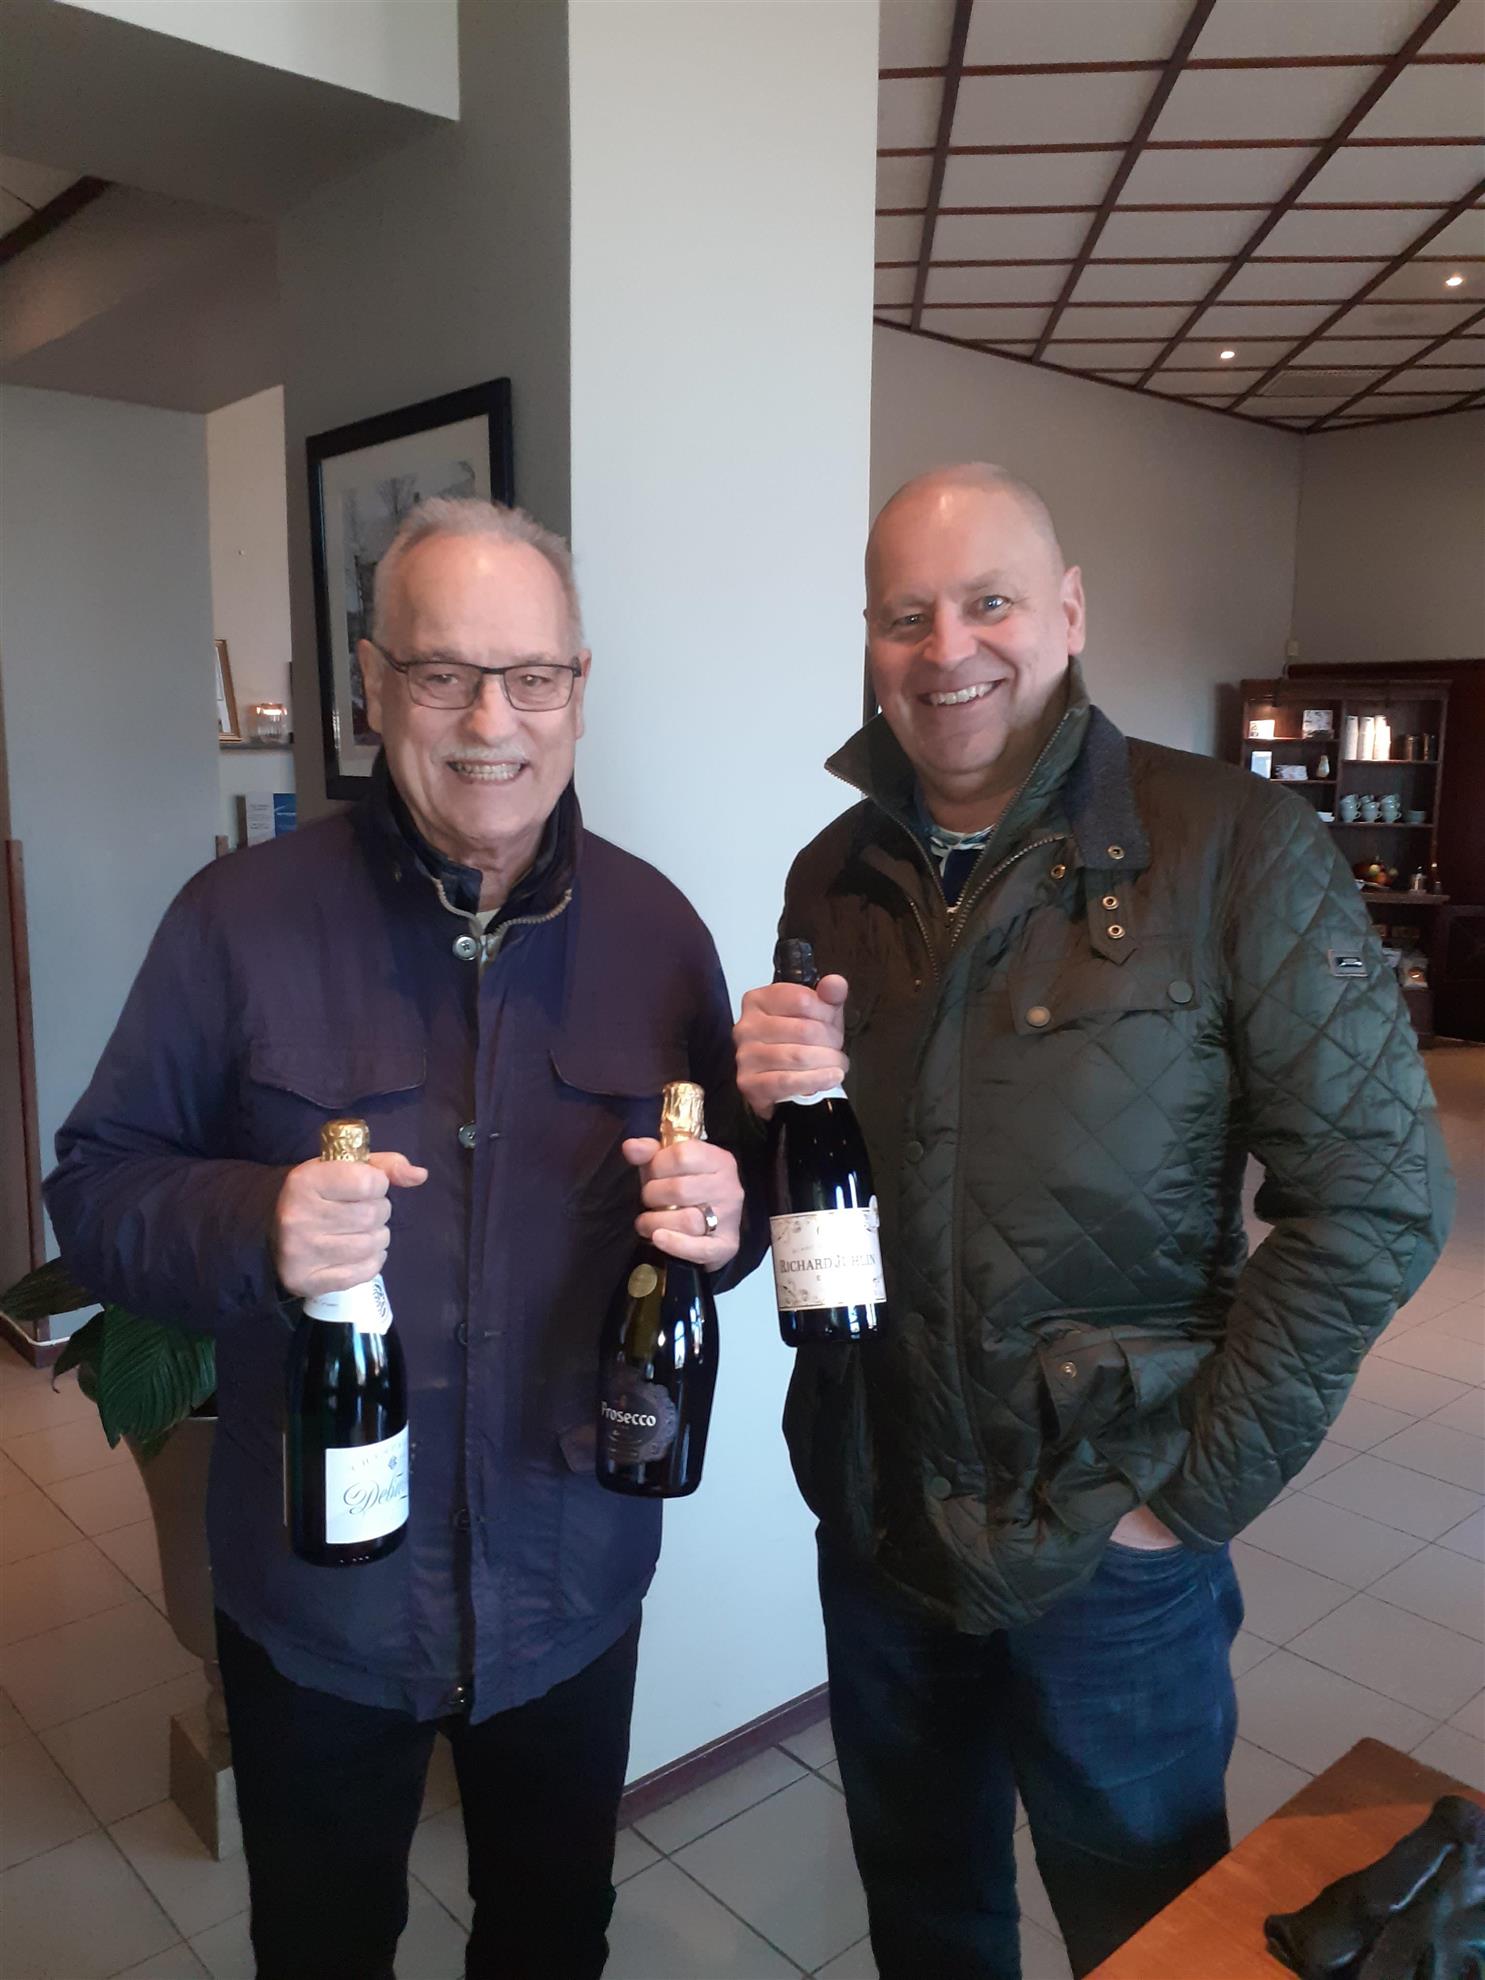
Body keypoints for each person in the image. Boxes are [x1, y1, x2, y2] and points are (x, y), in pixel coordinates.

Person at [733, 463, 1453, 1979]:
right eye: (905, 615)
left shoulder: (1232, 844)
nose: (947, 649)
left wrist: (1182, 1503)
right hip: (881, 1516)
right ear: (869, 640)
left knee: (1144, 1936)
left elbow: (1377, 1200)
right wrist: (766, 1104)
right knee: (924, 1914)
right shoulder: (832, 871)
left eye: (989, 601)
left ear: (1067, 612)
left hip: (1111, 1543)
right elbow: (822, 1169)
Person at [46, 496, 759, 1980]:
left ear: (578, 689)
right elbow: (97, 1191)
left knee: (552, 1938)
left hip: (572, 1582)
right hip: (320, 1601)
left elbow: (715, 1209)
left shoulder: (658, 932)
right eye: (443, 674)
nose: (492, 721)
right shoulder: (236, 920)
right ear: (373, 688)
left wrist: (725, 1220)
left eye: (532, 676)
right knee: (322, 1948)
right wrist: (257, 1222)